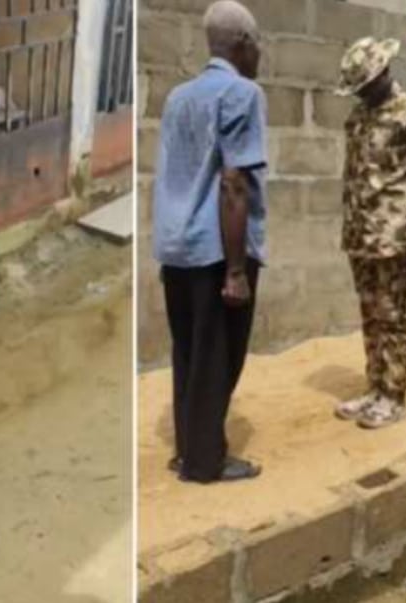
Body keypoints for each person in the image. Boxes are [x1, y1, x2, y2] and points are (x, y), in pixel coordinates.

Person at [152, 0, 265, 483]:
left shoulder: (179, 96)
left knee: (189, 352)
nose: (259, 54)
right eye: (257, 44)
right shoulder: (243, 93)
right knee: (219, 356)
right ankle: (205, 461)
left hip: (176, 248)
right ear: (242, 45)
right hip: (218, 249)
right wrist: (237, 270)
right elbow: (233, 182)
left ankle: (186, 449)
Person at [332, 37, 406, 429]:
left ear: (381, 75)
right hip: (360, 234)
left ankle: (394, 395)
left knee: (393, 314)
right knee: (370, 313)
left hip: (396, 235)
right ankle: (374, 388)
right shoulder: (358, 117)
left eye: (363, 84)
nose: (359, 93)